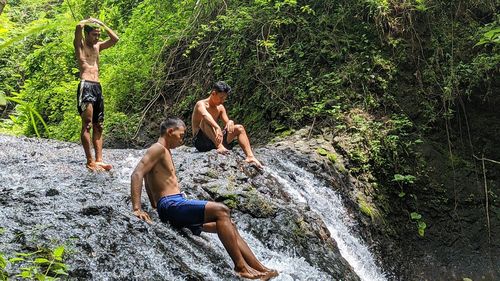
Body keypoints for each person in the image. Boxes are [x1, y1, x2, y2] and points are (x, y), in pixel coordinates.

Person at [130, 118, 278, 280]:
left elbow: (148, 177)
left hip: (173, 205)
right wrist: (137, 208)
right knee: (222, 211)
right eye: (181, 135)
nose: (182, 139)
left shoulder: (164, 150)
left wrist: (154, 204)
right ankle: (241, 267)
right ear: (170, 132)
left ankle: (260, 269)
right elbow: (138, 173)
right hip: (172, 204)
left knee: (229, 224)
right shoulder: (157, 148)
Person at [74, 18, 119, 171]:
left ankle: (99, 160)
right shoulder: (79, 45)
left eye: (98, 34)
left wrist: (103, 25)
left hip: (97, 86)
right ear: (87, 34)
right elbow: (78, 26)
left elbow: (115, 39)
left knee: (98, 125)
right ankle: (89, 161)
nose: (97, 37)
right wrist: (89, 20)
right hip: (85, 85)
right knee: (87, 124)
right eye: (94, 34)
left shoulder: (98, 46)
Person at [191, 81, 263, 169]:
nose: (222, 101)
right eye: (221, 98)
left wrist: (230, 122)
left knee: (239, 128)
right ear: (213, 93)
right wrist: (217, 127)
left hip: (215, 140)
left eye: (224, 98)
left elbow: (228, 124)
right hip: (201, 141)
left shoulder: (220, 107)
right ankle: (219, 146)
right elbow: (206, 115)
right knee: (204, 121)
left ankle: (250, 157)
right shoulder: (201, 104)